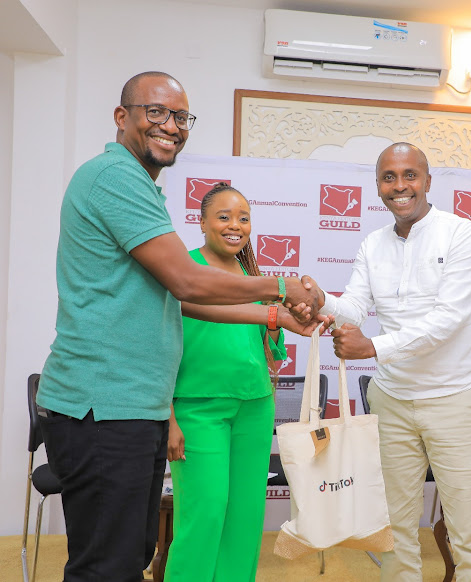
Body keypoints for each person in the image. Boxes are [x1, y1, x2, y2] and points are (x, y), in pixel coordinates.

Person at [35, 71, 323, 582]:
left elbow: (178, 303)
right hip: (104, 406)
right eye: (156, 112)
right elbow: (189, 283)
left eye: (181, 116)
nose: (171, 125)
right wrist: (281, 288)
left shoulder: (139, 186)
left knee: (132, 555)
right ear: (122, 118)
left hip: (130, 407)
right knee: (108, 565)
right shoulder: (116, 178)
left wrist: (277, 316)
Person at [323, 143, 471, 581]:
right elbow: (354, 306)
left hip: (454, 400)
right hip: (392, 401)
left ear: (427, 181)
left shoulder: (460, 233)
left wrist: (372, 348)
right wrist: (317, 299)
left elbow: (447, 321)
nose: (400, 186)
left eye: (409, 175)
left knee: (469, 534)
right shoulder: (372, 243)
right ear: (378, 185)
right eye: (388, 177)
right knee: (394, 531)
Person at [163, 182, 283, 581]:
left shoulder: (253, 274)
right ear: (201, 222)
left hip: (254, 407)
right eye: (224, 217)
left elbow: (270, 347)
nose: (236, 226)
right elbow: (157, 346)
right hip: (197, 411)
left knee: (244, 520)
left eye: (244, 218)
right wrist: (169, 417)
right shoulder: (184, 271)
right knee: (205, 514)